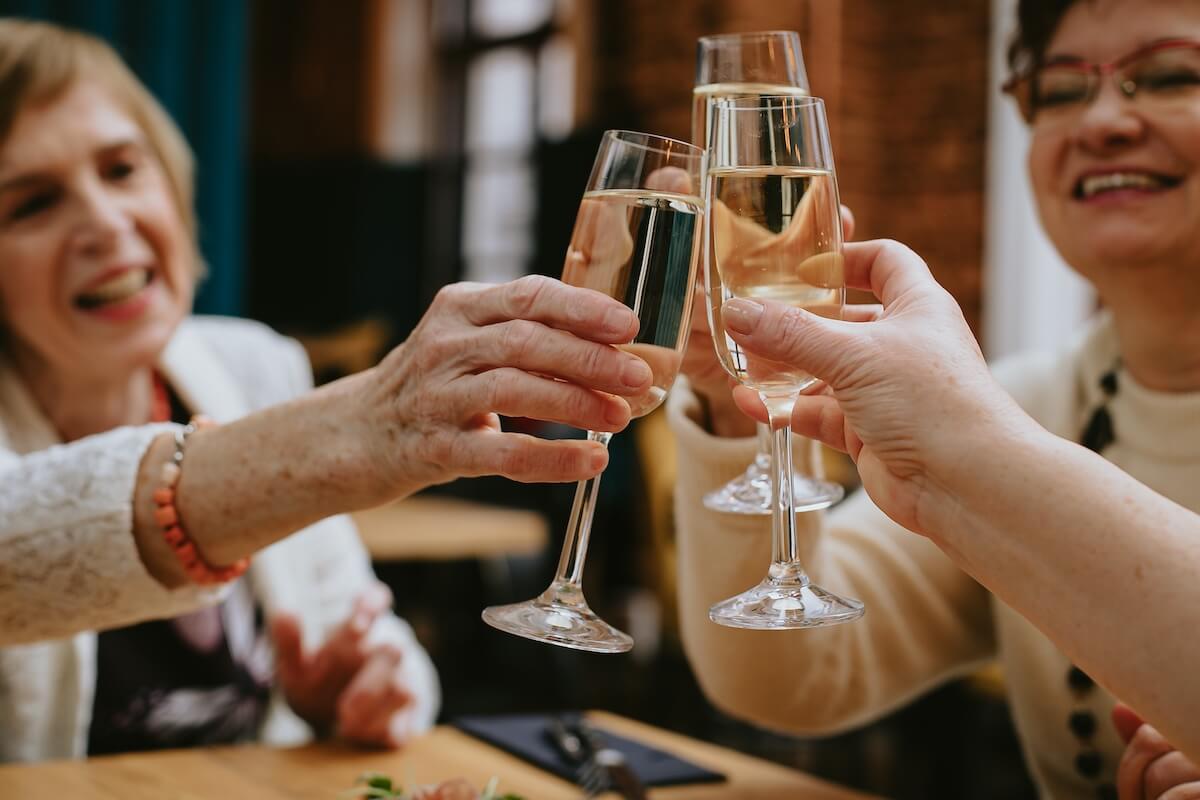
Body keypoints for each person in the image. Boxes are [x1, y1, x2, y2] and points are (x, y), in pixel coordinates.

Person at [0, 20, 655, 761]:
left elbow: (375, 643)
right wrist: (353, 428)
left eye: (121, 169)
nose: (104, 223)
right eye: (31, 205)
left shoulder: (249, 364)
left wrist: (348, 694)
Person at [670, 1, 1200, 797]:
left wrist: (972, 448)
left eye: (1168, 76)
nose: (1103, 121)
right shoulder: (1030, 402)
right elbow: (793, 675)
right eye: (1059, 90)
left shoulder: (986, 427)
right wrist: (731, 398)